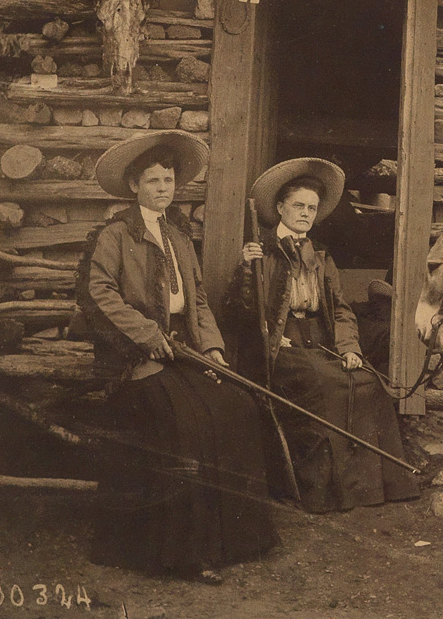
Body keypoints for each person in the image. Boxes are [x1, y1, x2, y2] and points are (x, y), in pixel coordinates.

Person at [76, 130, 278, 583]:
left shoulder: (179, 237)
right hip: (134, 357)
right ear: (134, 186)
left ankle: (236, 540)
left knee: (237, 407)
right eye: (152, 181)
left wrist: (213, 349)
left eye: (168, 180)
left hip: (184, 351)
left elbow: (199, 300)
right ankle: (185, 551)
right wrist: (147, 334)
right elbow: (99, 293)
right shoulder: (114, 235)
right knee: (184, 421)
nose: (162, 188)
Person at [230, 158, 419, 514]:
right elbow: (241, 311)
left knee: (367, 383)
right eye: (298, 206)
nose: (305, 213)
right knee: (327, 385)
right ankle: (329, 493)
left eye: (311, 208)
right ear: (281, 207)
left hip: (320, 342)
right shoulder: (263, 252)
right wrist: (245, 267)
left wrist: (349, 348)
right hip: (281, 349)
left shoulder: (319, 256)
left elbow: (342, 308)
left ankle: (377, 488)